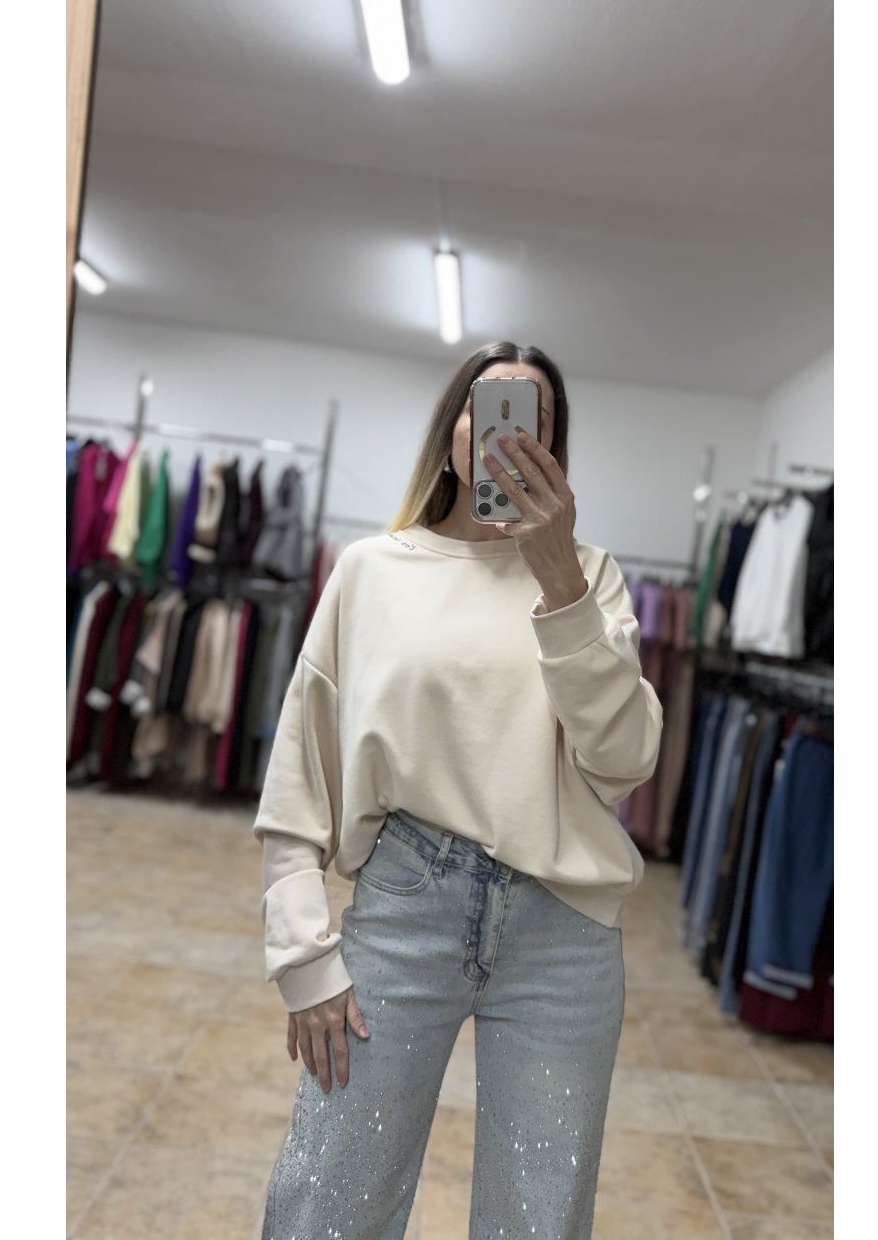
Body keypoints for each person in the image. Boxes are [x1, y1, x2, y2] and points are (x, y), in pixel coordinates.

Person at [254, 342, 663, 1239]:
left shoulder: (589, 577)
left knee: (538, 1221)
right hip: (406, 906)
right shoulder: (371, 569)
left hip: (564, 934)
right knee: (327, 1206)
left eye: (532, 417)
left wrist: (559, 583)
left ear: (552, 448)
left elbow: (625, 760)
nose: (506, 431)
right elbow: (299, 777)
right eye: (487, 405)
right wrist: (301, 953)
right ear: (453, 432)